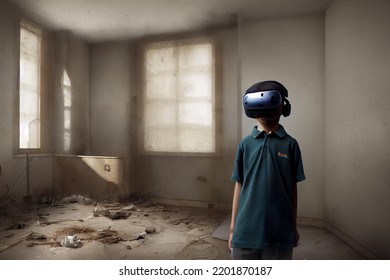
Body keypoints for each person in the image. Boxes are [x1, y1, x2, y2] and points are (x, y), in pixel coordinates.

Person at [229, 80, 305, 260]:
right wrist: (233, 229)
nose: (263, 112)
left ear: (283, 108)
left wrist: (292, 226)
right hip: (245, 232)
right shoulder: (245, 144)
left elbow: (292, 189)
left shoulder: (290, 144)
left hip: (279, 233)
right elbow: (239, 184)